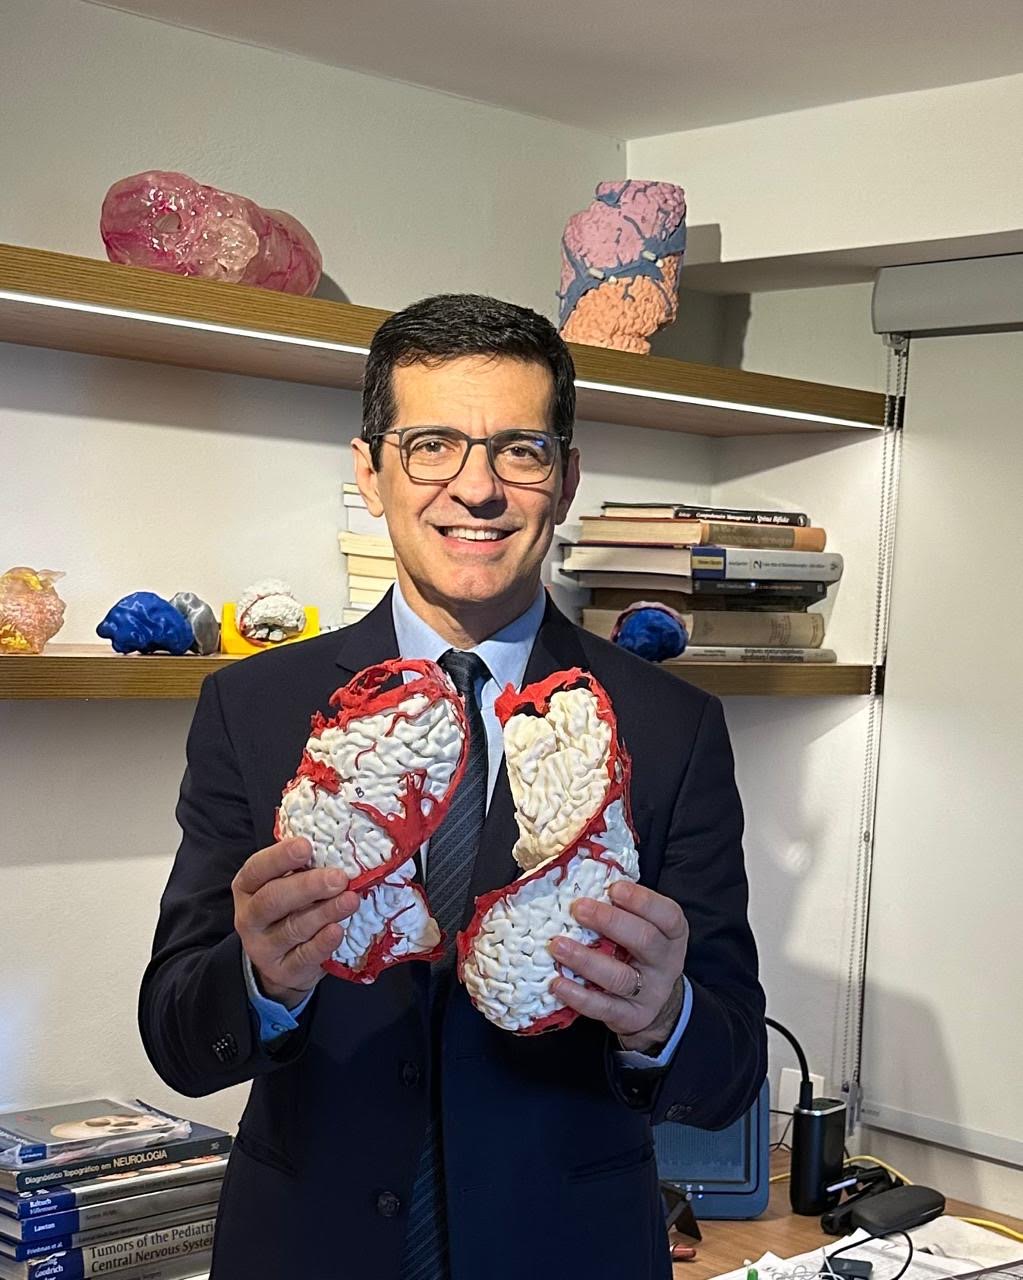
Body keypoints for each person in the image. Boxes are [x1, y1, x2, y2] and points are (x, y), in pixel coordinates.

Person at [139, 293, 766, 1280]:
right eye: (431, 445)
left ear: (565, 478)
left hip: (569, 1254)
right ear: (371, 471)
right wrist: (260, 979)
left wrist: (662, 1016)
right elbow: (178, 1037)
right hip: (307, 1251)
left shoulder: (669, 727)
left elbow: (728, 1072)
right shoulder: (252, 708)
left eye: (520, 450)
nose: (476, 489)